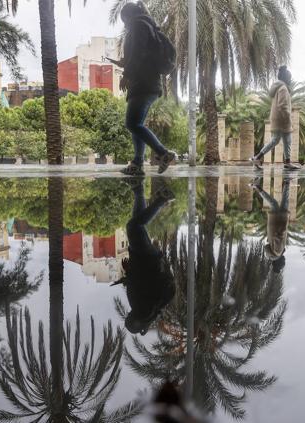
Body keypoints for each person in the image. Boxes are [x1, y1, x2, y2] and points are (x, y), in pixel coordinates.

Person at [116, 2, 176, 176]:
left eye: (124, 21)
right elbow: (142, 54)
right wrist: (125, 63)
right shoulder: (146, 25)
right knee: (137, 124)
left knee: (132, 123)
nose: (125, 25)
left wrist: (126, 73)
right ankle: (137, 163)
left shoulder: (138, 24)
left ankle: (163, 153)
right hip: (145, 83)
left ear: (128, 16)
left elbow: (139, 52)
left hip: (144, 83)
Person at [113, 178, 175, 335]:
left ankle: (138, 189)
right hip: (145, 258)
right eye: (129, 318)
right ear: (134, 319)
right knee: (133, 226)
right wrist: (129, 271)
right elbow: (141, 281)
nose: (128, 314)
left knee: (137, 220)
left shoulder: (149, 309)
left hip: (147, 258)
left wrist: (128, 273)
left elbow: (139, 282)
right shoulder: (142, 307)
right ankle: (163, 199)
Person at [250, 66, 300, 171]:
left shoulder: (279, 87)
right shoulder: (283, 89)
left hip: (277, 119)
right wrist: (288, 118)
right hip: (282, 120)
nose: (290, 79)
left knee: (276, 140)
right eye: (289, 77)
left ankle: (257, 157)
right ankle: (287, 162)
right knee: (286, 140)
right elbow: (282, 105)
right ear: (286, 78)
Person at [250, 177, 291, 274]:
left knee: (277, 203)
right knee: (281, 202)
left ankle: (257, 187)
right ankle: (286, 183)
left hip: (279, 220)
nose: (284, 260)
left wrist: (284, 227)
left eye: (283, 262)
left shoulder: (278, 252)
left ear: (280, 262)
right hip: (275, 223)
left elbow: (279, 235)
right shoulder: (273, 253)